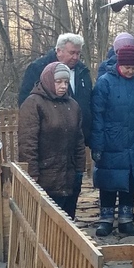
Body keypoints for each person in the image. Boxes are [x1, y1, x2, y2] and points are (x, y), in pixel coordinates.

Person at [91, 44, 134, 237]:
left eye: (133, 68)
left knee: (130, 179)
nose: (130, 71)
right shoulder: (105, 82)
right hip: (111, 140)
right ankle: (105, 219)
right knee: (109, 180)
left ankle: (126, 219)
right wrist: (97, 143)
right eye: (126, 67)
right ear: (119, 64)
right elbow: (98, 116)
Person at [18, 61, 86, 219]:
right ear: (49, 80)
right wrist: (32, 173)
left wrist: (79, 170)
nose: (63, 86)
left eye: (66, 82)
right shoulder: (33, 104)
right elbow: (28, 143)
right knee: (45, 221)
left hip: (69, 174)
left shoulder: (73, 105)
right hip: (45, 174)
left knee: (68, 220)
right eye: (58, 82)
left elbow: (79, 141)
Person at [18, 34, 93, 143]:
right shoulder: (38, 69)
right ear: (59, 51)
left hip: (77, 137)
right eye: (72, 53)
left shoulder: (83, 71)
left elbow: (88, 102)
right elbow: (25, 102)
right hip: (48, 139)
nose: (76, 57)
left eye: (78, 53)